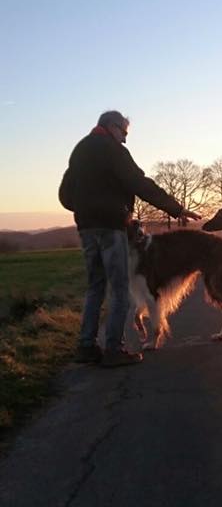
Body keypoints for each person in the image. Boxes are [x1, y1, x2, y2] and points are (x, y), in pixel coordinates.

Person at [58, 110, 200, 367]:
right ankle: (114, 349)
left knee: (95, 287)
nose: (125, 139)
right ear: (112, 127)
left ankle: (86, 347)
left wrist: (84, 208)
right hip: (112, 226)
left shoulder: (79, 150)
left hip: (86, 228)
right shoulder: (113, 150)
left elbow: (65, 194)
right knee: (120, 288)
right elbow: (140, 183)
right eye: (124, 132)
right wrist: (176, 209)